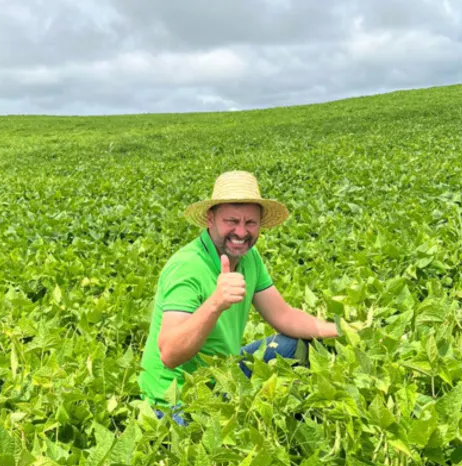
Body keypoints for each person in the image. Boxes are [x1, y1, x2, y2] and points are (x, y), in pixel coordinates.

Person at [138, 170, 341, 425]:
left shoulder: (249, 258)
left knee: (297, 346)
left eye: (250, 223)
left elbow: (284, 316)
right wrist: (215, 303)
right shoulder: (187, 268)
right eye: (231, 221)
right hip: (175, 398)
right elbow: (170, 354)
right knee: (203, 446)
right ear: (210, 219)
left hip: (224, 376)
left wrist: (343, 331)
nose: (241, 232)